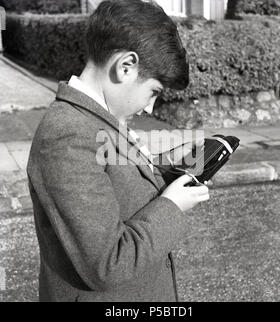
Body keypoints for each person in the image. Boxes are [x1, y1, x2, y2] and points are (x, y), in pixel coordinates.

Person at [27, 0, 209, 302]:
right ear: (125, 67)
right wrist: (172, 205)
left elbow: (118, 186)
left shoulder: (99, 120)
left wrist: (166, 167)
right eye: (153, 91)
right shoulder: (68, 135)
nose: (150, 106)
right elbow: (109, 264)